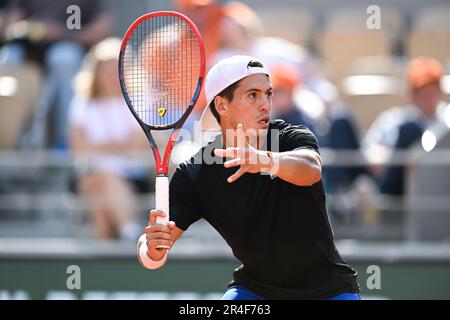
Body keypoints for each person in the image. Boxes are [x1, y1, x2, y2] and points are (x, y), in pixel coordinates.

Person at [137, 55, 360, 300]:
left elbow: (311, 169)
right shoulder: (195, 173)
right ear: (222, 105)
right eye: (253, 95)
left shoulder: (291, 136)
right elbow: (152, 250)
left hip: (329, 291)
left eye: (268, 94)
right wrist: (152, 250)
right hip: (255, 291)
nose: (265, 104)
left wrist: (264, 161)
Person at [69, 38, 147, 240]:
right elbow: (79, 147)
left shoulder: (137, 102)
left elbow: (136, 145)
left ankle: (107, 246)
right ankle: (129, 232)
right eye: (107, 70)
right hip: (90, 176)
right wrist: (117, 147)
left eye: (116, 70)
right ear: (95, 72)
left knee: (100, 193)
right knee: (101, 179)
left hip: (130, 178)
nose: (112, 76)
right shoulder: (82, 103)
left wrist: (99, 148)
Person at [379, 57, 447, 195]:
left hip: (442, 186)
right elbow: (373, 152)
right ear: (412, 94)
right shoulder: (395, 120)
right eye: (421, 91)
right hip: (401, 191)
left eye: (432, 90)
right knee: (410, 130)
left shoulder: (447, 119)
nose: (428, 96)